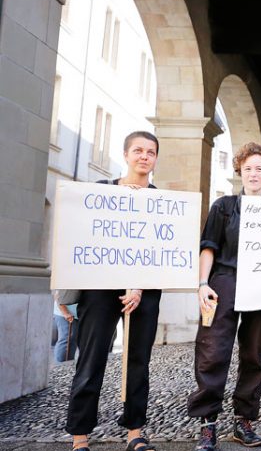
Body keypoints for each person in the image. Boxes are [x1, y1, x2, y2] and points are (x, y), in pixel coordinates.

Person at [66, 131, 162, 451]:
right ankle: (80, 436)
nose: (144, 156)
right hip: (100, 290)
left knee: (138, 360)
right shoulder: (100, 192)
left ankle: (135, 431)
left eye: (150, 152)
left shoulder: (163, 203)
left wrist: (138, 286)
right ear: (126, 155)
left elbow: (163, 252)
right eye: (138, 150)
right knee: (91, 359)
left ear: (156, 159)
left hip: (144, 292)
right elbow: (82, 238)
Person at [188, 142, 261, 451]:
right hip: (225, 281)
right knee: (212, 350)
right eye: (248, 168)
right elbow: (209, 246)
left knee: (254, 354)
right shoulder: (224, 206)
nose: (254, 174)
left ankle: (244, 421)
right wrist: (203, 283)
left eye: (260, 168)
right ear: (239, 171)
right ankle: (208, 423)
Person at [53, 290, 79, 362]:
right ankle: (60, 366)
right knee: (67, 339)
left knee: (73, 340)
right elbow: (58, 296)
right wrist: (65, 313)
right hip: (64, 313)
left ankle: (69, 364)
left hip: (76, 314)